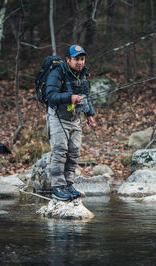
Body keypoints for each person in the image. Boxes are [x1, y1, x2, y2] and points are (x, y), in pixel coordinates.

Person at [44, 44, 95, 200]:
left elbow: (86, 96)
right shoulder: (57, 73)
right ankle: (58, 187)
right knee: (60, 152)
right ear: (68, 59)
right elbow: (50, 95)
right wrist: (69, 97)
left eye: (82, 59)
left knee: (73, 153)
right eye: (76, 59)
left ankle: (69, 185)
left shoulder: (83, 74)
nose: (80, 62)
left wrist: (89, 114)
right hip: (57, 117)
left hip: (75, 119)